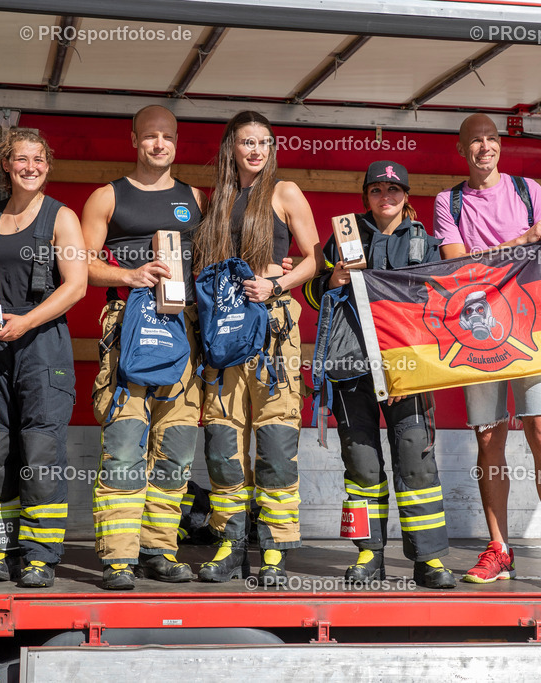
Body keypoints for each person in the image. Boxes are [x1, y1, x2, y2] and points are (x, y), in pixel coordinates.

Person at [434, 113, 541, 592]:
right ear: (461, 149)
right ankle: (499, 548)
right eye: (475, 141)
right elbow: (457, 268)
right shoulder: (448, 201)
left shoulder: (529, 191)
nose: (485, 147)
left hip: (535, 329)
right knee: (489, 438)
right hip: (478, 335)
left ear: (500, 145)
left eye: (491, 139)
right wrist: (518, 242)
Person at [304, 161, 455, 589]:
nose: (385, 197)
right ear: (365, 196)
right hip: (351, 369)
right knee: (362, 466)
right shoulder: (344, 235)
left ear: (406, 196)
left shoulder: (426, 244)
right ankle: (369, 554)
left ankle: (429, 560)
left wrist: (406, 373)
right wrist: (331, 281)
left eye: (393, 190)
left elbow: (437, 312)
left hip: (407, 371)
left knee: (416, 464)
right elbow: (313, 293)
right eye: (376, 190)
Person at [81, 105, 207, 590]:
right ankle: (118, 558)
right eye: (150, 136)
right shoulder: (107, 196)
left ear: (177, 141)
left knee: (176, 446)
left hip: (183, 331)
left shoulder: (195, 197)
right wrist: (130, 275)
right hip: (128, 327)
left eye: (167, 137)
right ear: (134, 140)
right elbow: (80, 264)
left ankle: (159, 550)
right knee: (124, 444)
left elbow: (213, 261)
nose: (159, 144)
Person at [193, 110, 321, 586]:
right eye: (248, 142)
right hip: (224, 333)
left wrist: (277, 283)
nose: (256, 150)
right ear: (231, 147)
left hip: (273, 332)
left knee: (275, 442)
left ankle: (274, 550)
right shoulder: (217, 201)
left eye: (264, 142)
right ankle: (230, 544)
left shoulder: (284, 192)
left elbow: (316, 258)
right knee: (224, 443)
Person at [0, 129, 87, 588]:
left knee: (40, 451)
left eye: (38, 159)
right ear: (6, 165)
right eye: (21, 159)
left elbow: (76, 285)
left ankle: (39, 556)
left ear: (48, 164)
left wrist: (26, 322)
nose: (31, 167)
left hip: (42, 345)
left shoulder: (63, 217)